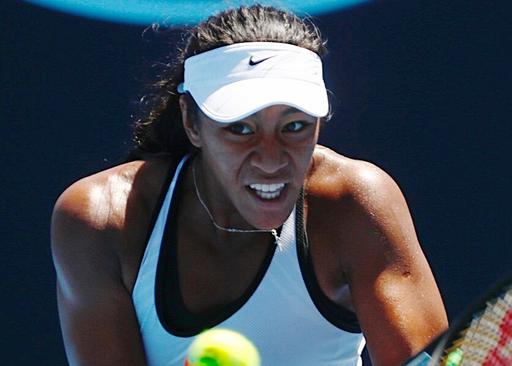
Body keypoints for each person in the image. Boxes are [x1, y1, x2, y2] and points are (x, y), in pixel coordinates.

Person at [51, 5, 447, 366]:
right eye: (240, 129)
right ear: (191, 121)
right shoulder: (102, 219)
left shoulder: (355, 203)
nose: (271, 160)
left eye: (295, 127)